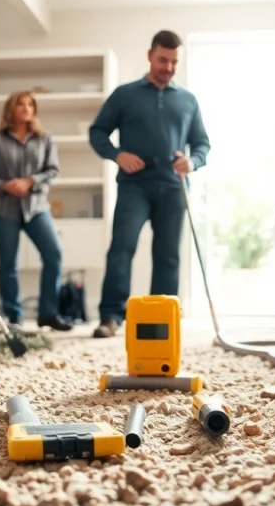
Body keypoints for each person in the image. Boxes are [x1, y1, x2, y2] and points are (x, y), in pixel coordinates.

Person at [88, 30, 211, 338]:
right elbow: (97, 132)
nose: (167, 67)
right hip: (134, 186)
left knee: (168, 254)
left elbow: (202, 144)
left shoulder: (187, 100)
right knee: (122, 247)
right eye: (162, 60)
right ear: (149, 56)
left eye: (173, 62)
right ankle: (111, 316)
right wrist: (118, 155)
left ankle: (160, 321)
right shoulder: (124, 95)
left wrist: (192, 162)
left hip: (173, 187)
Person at [0, 92, 74, 331]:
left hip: (37, 208)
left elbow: (53, 171)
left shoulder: (45, 139)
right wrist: (4, 185)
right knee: (9, 262)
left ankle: (48, 313)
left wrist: (30, 181)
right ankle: (14, 316)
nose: (26, 108)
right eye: (21, 104)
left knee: (54, 254)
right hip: (3, 208)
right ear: (10, 109)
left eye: (30, 104)